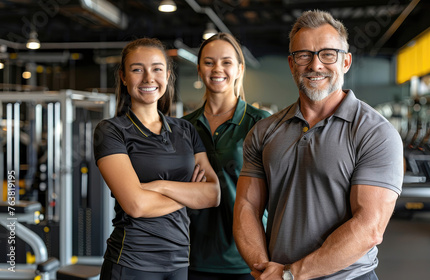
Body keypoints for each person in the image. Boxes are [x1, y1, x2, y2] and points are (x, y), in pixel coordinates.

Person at [233, 10, 404, 280]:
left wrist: (290, 274)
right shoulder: (264, 131)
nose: (315, 65)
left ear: (346, 61)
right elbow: (246, 207)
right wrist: (263, 268)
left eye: (328, 54)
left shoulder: (375, 132)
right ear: (291, 64)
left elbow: (369, 226)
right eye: (304, 55)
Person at [93, 38, 220, 280]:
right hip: (132, 261)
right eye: (137, 69)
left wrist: (159, 187)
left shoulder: (186, 130)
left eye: (157, 69)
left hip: (179, 261)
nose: (149, 78)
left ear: (168, 75)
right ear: (123, 76)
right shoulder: (110, 130)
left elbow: (213, 194)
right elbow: (136, 205)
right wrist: (192, 195)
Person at [182, 32, 271, 280]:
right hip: (192, 257)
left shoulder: (261, 123)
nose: (217, 68)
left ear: (240, 69)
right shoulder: (182, 127)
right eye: (209, 62)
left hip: (245, 261)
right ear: (199, 69)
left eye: (226, 62)